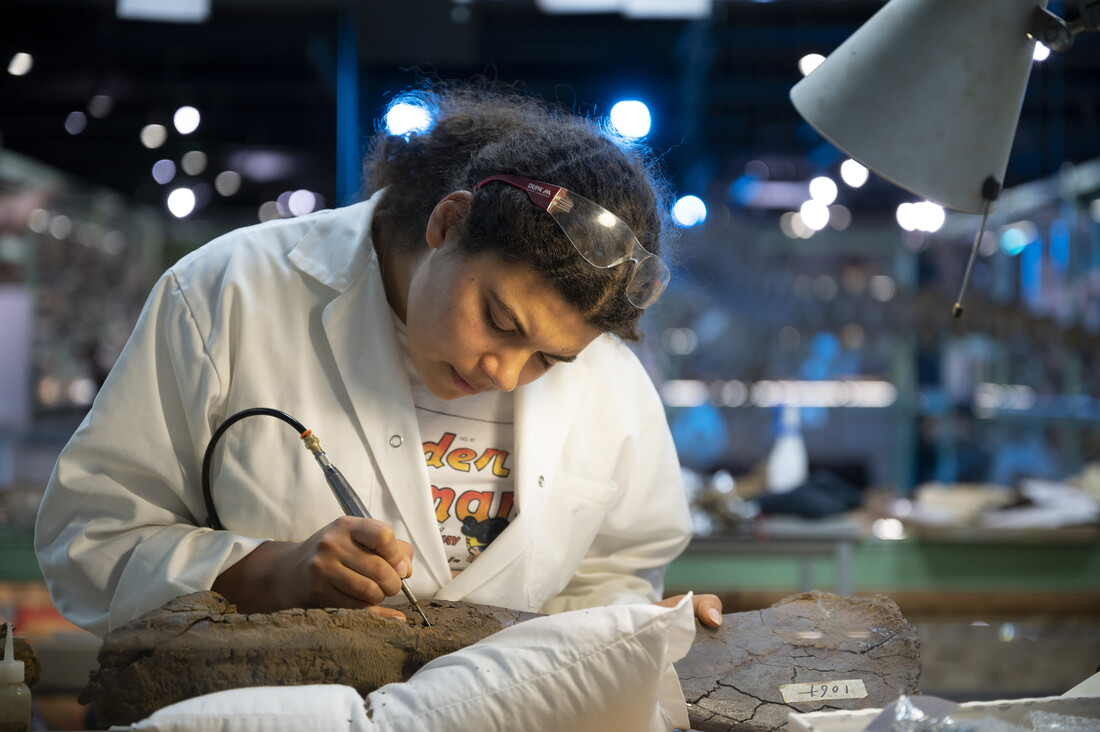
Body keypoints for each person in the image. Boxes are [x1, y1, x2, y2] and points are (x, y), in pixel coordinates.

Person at [34, 81, 722, 638]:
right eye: (498, 321)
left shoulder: (605, 376)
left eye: (547, 358)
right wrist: (267, 573)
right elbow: (89, 540)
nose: (503, 372)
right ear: (447, 224)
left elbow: (614, 574)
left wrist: (634, 631)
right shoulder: (227, 294)